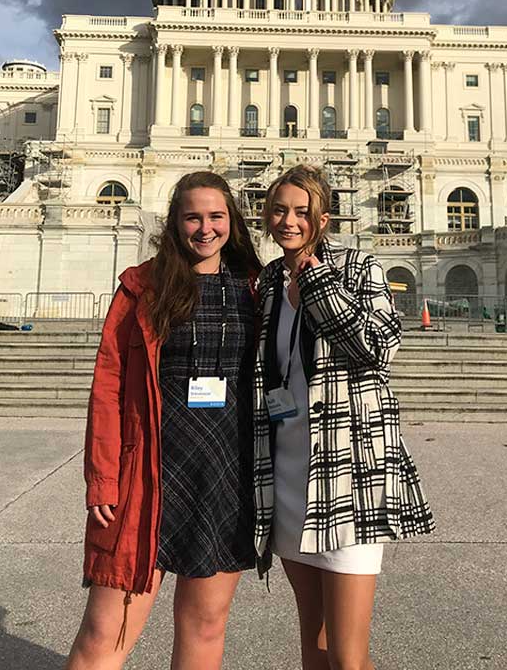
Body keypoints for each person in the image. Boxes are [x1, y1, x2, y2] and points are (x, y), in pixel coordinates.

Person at [66, 171, 262, 670]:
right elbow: (108, 387)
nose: (205, 228)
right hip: (147, 473)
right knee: (105, 637)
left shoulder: (256, 290)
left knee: (205, 627)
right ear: (174, 224)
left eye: (216, 216)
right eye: (192, 217)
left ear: (232, 223)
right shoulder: (142, 288)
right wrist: (102, 480)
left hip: (224, 475)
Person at [253, 165, 434, 670]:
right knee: (314, 643)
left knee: (349, 656)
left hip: (348, 472)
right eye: (279, 210)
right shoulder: (268, 280)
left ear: (323, 219)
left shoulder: (359, 268)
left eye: (302, 212)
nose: (288, 221)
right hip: (288, 469)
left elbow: (377, 350)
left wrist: (317, 283)